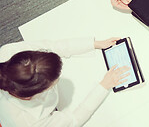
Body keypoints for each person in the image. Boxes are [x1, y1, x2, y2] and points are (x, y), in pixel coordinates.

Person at [0, 37, 130, 126]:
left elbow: (51, 46)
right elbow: (73, 121)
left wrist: (94, 44)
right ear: (36, 93)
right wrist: (103, 86)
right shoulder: (32, 121)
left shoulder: (8, 52)